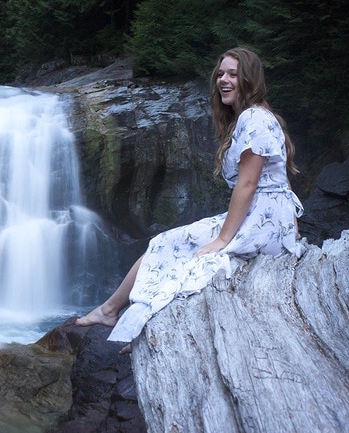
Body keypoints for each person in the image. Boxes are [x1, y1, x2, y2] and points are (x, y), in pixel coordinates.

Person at [76, 47, 305, 352]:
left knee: (193, 259)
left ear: (249, 79)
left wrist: (222, 239)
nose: (223, 80)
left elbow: (248, 184)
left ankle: (123, 317)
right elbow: (281, 180)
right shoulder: (255, 117)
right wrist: (291, 227)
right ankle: (116, 312)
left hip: (262, 221)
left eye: (233, 74)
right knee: (171, 247)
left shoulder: (254, 118)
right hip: (268, 219)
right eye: (220, 73)